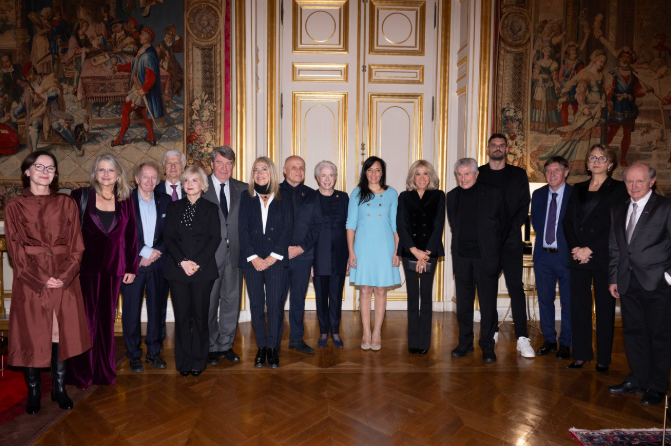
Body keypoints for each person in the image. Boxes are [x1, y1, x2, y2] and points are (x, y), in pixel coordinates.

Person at [5, 151, 90, 414]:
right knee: (32, 334)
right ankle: (33, 391)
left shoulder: (67, 204)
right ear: (27, 171)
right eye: (39, 166)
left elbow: (77, 246)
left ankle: (59, 387)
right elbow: (16, 252)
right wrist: (43, 279)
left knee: (58, 333)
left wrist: (63, 277)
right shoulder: (13, 207)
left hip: (64, 276)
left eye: (50, 167)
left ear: (55, 174)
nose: (45, 171)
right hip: (31, 280)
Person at [68, 154, 138, 387]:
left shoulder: (125, 199)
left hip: (114, 269)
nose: (106, 175)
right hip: (85, 269)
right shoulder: (81, 196)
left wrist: (131, 267)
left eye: (110, 170)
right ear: (95, 173)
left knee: (106, 322)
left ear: (119, 174)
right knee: (85, 321)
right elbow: (70, 234)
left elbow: (131, 236)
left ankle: (103, 371)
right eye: (101, 170)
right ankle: (81, 372)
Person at [608, 163, 671, 407]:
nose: (633, 187)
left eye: (639, 181)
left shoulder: (665, 207)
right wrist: (613, 278)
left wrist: (668, 276)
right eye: (629, 182)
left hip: (658, 283)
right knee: (634, 333)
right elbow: (615, 246)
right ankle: (638, 378)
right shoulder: (619, 208)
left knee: (660, 336)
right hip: (627, 281)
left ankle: (657, 387)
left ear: (652, 182)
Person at [563, 145, 627, 373]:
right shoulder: (577, 188)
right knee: (578, 307)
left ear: (611, 163)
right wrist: (576, 248)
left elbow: (615, 226)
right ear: (588, 164)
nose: (597, 161)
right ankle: (580, 354)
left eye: (602, 158)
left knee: (605, 309)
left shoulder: (619, 189)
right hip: (578, 256)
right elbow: (567, 222)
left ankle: (603, 359)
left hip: (603, 256)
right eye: (592, 157)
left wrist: (590, 248)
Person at [478, 133, 534, 358]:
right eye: (494, 145)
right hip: (487, 242)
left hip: (511, 240)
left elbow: (523, 205)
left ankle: (522, 337)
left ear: (507, 149)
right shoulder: (478, 173)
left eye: (502, 145)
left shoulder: (518, 174)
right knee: (487, 289)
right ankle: (489, 332)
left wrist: (509, 230)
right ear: (488, 148)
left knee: (515, 288)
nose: (498, 149)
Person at [446, 158, 507, 363]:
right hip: (462, 257)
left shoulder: (492, 192)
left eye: (467, 174)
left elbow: (503, 227)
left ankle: (488, 346)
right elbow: (455, 227)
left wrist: (498, 257)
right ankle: (465, 343)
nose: (463, 179)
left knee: (488, 305)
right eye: (460, 175)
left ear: (476, 174)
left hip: (485, 259)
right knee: (463, 304)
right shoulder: (452, 196)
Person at [164, 166, 221, 377]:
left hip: (202, 271)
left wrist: (196, 263)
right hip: (178, 271)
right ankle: (184, 361)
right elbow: (168, 238)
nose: (189, 184)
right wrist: (182, 262)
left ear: (203, 185)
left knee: (200, 316)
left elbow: (214, 238)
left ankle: (199, 360)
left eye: (194, 180)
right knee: (181, 318)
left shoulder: (210, 208)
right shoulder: (174, 207)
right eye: (186, 180)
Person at [239, 157, 293, 368]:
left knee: (275, 305)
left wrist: (274, 256)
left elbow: (288, 228)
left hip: (276, 260)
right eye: (255, 170)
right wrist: (252, 257)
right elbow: (242, 229)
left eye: (264, 169)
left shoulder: (284, 197)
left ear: (271, 172)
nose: (259, 173)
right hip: (252, 260)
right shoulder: (246, 197)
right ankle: (261, 346)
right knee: (256, 305)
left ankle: (273, 347)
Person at [120, 161, 170, 373]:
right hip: (134, 264)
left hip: (158, 264)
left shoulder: (166, 200)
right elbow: (120, 233)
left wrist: (155, 253)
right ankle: (133, 355)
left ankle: (154, 352)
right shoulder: (124, 201)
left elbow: (171, 233)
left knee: (157, 310)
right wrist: (142, 252)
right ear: (137, 179)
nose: (149, 181)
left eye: (153, 178)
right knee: (131, 311)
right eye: (145, 177)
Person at [347, 156, 401, 351]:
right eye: (370, 170)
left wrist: (397, 250)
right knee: (364, 290)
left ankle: (377, 332)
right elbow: (350, 225)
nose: (374, 174)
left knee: (380, 290)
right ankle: (366, 332)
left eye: (377, 170)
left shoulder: (392, 194)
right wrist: (351, 252)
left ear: (382, 172)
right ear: (365, 172)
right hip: (363, 247)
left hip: (385, 246)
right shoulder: (357, 193)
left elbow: (396, 224)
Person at [202, 146, 247, 365]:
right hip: (209, 256)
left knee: (232, 300)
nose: (224, 168)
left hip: (235, 255)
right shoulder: (199, 186)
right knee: (209, 303)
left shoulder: (243, 189)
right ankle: (210, 345)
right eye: (219, 163)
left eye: (229, 164)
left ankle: (226, 344)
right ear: (211, 164)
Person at [397, 160, 445, 355]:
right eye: (418, 174)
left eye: (426, 174)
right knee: (412, 296)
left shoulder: (439, 196)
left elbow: (439, 225)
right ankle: (412, 342)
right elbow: (401, 224)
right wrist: (414, 250)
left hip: (430, 253)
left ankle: (424, 342)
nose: (422, 178)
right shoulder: (404, 196)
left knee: (425, 296)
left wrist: (425, 254)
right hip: (410, 252)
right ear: (412, 177)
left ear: (431, 176)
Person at [531, 156, 573, 359]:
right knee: (545, 300)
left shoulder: (575, 195)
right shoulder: (538, 195)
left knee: (568, 302)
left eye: (556, 170)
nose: (552, 174)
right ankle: (549, 340)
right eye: (548, 170)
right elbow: (537, 224)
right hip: (543, 257)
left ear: (566, 172)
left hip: (566, 258)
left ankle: (566, 343)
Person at [280, 156, 322, 355]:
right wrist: (281, 248)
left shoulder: (312, 195)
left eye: (301, 167)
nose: (298, 170)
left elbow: (316, 226)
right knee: (276, 300)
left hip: (302, 257)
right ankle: (273, 341)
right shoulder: (273, 191)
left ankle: (296, 339)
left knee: (298, 299)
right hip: (277, 257)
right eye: (294, 167)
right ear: (284, 170)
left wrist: (301, 248)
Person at [312, 161, 349, 348]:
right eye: (323, 175)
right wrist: (309, 262)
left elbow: (350, 228)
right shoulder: (310, 198)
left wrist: (351, 255)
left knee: (335, 296)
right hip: (318, 257)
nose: (327, 179)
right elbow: (307, 231)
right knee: (321, 296)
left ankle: (335, 331)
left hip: (340, 255)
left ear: (335, 177)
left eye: (331, 175)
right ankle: (323, 332)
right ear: (317, 178)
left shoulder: (344, 197)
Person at [12, 62, 83, 156]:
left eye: (29, 74)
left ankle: (75, 147)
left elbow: (55, 93)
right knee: (35, 124)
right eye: (26, 77)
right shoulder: (28, 88)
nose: (28, 78)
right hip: (37, 111)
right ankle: (34, 153)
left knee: (57, 125)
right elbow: (24, 103)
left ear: (33, 71)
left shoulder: (46, 78)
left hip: (50, 108)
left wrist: (44, 96)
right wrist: (14, 114)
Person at [111, 27, 164, 147]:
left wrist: (144, 89)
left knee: (125, 110)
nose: (139, 37)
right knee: (144, 112)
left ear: (147, 38)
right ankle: (151, 137)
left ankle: (120, 139)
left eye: (142, 35)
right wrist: (119, 68)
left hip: (141, 89)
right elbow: (134, 66)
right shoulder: (143, 51)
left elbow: (151, 77)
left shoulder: (148, 55)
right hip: (140, 88)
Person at [154, 149, 185, 348]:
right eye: (169, 163)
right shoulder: (152, 190)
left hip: (188, 257)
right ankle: (157, 343)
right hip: (161, 257)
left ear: (183, 167)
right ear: (164, 168)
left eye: (176, 163)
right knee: (158, 302)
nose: (173, 167)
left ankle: (187, 342)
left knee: (188, 302)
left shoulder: (195, 188)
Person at [531, 46, 562, 133]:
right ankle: (539, 126)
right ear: (543, 52)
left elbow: (554, 76)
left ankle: (550, 126)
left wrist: (556, 82)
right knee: (540, 104)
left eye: (549, 52)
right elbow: (534, 75)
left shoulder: (553, 63)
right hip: (540, 86)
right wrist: (540, 76)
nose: (547, 53)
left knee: (549, 105)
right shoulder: (539, 62)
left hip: (549, 86)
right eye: (546, 51)